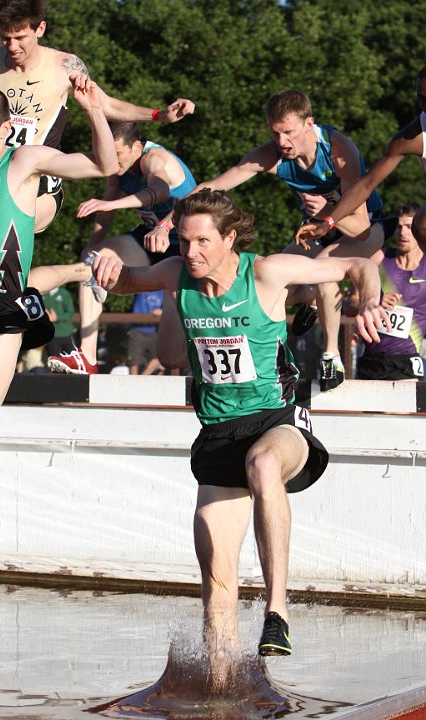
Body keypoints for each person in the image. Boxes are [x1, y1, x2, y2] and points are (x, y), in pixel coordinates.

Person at [90, 188, 388, 659]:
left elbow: (361, 267)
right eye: (185, 242)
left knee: (265, 463)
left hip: (278, 422)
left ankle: (278, 612)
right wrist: (107, 263)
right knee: (217, 592)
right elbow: (128, 281)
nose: (191, 253)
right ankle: (224, 689)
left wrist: (369, 300)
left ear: (230, 238)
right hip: (219, 434)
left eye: (203, 242)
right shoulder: (177, 274)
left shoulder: (267, 272)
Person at [0, 77, 118, 586]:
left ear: (5, 130)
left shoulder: (22, 163)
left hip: (2, 311)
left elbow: (104, 166)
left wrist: (94, 113)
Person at [145, 89, 385, 391]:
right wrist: (167, 224)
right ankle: (301, 311)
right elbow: (215, 185)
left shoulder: (339, 150)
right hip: (315, 232)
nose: (282, 142)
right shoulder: (272, 154)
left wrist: (327, 214)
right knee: (268, 282)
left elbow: (360, 223)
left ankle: (331, 355)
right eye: (275, 133)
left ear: (309, 123)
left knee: (325, 269)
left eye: (289, 133)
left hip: (363, 230)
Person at [0, 0, 195, 233]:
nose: (12, 47)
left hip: (40, 182)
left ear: (40, 28)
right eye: (5, 38)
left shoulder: (65, 66)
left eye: (20, 38)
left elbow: (106, 105)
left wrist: (159, 115)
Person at [47, 120, 196, 374]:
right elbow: (105, 213)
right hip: (149, 239)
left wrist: (113, 205)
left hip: (183, 248)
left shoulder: (154, 159)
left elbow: (158, 191)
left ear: (137, 146)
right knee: (95, 261)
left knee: (170, 357)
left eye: (117, 154)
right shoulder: (116, 170)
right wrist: (90, 247)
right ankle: (87, 356)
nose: (111, 161)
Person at [295, 66, 426, 247]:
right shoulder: (412, 138)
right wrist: (327, 223)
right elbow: (366, 184)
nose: (425, 106)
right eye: (422, 98)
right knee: (422, 225)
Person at [348, 202, 425, 380]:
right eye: (399, 227)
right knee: (371, 409)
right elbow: (350, 305)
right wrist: (372, 303)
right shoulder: (378, 258)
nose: (403, 233)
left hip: (407, 361)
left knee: (399, 409)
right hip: (371, 360)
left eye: (409, 227)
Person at [128, 290, 164, 375]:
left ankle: (142, 378)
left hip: (155, 330)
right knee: (134, 361)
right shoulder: (141, 288)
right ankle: (133, 384)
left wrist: (162, 311)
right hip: (137, 328)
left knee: (161, 357)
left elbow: (172, 308)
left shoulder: (164, 292)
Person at [43, 286, 76, 357]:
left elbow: (70, 313)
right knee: (55, 362)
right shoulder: (42, 294)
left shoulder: (64, 294)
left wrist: (57, 317)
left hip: (66, 333)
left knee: (72, 360)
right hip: (51, 335)